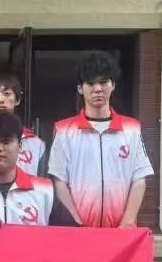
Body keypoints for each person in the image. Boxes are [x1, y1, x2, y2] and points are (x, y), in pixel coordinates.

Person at [47, 51, 152, 228]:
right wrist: (75, 223)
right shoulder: (64, 130)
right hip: (79, 232)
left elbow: (139, 178)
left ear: (113, 85)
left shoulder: (132, 129)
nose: (97, 89)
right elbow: (59, 181)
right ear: (80, 88)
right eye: (90, 83)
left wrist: (127, 223)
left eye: (103, 82)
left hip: (123, 231)